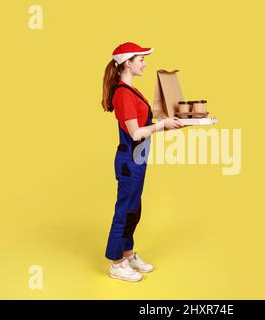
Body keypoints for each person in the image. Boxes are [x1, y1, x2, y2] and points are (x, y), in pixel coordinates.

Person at [101, 42, 184, 282]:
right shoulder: (123, 94)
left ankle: (127, 254)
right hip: (130, 160)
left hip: (137, 159)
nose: (145, 64)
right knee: (125, 211)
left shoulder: (131, 90)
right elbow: (136, 133)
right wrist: (161, 125)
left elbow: (144, 125)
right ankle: (116, 264)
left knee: (133, 210)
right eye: (141, 60)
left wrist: (170, 123)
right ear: (128, 63)